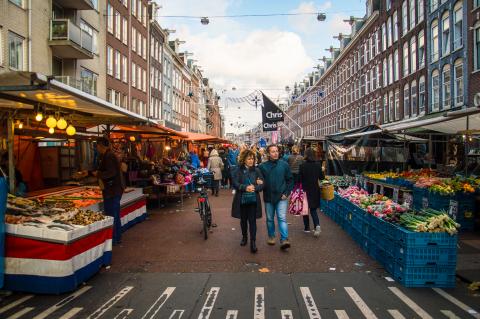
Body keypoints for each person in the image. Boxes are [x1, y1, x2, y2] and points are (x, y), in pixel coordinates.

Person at [259, 144, 294, 250]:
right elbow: (260, 181)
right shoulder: (262, 166)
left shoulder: (284, 165)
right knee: (269, 219)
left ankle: (284, 239)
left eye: (277, 151)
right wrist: (259, 183)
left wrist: (286, 193)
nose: (275, 153)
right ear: (268, 154)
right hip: (268, 196)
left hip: (281, 196)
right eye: (273, 151)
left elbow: (290, 180)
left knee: (282, 218)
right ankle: (271, 236)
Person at [93, 137, 125, 245]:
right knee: (114, 214)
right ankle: (116, 237)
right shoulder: (107, 155)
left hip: (112, 190)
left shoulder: (109, 156)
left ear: (101, 145)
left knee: (112, 215)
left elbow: (111, 172)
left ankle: (115, 238)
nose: (96, 148)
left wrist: (98, 174)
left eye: (97, 146)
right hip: (114, 190)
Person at [231, 150, 264, 253]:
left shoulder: (257, 170)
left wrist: (256, 187)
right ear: (244, 159)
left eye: (252, 159)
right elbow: (235, 183)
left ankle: (253, 242)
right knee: (243, 220)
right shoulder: (238, 170)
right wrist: (245, 187)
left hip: (253, 199)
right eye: (249, 158)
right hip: (241, 199)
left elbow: (262, 183)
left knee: (252, 221)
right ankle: (244, 237)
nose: (251, 161)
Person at [299, 148, 325, 236]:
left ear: (306, 155)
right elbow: (322, 178)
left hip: (305, 190)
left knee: (305, 210)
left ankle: (307, 228)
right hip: (315, 189)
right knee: (313, 209)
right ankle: (317, 225)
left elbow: (299, 179)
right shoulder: (318, 165)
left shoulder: (302, 165)